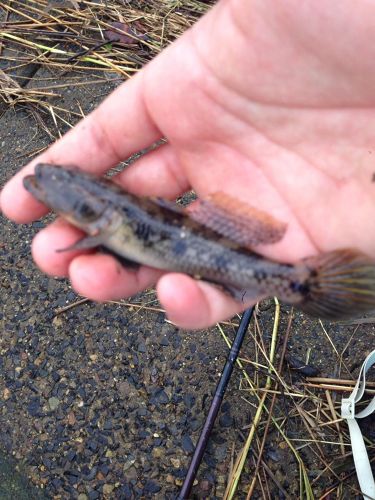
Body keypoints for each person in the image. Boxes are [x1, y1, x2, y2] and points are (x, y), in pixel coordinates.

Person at [1, 1, 375, 329]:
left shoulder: (100, 220)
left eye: (62, 182)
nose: (46, 177)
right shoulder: (101, 215)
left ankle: (305, 286)